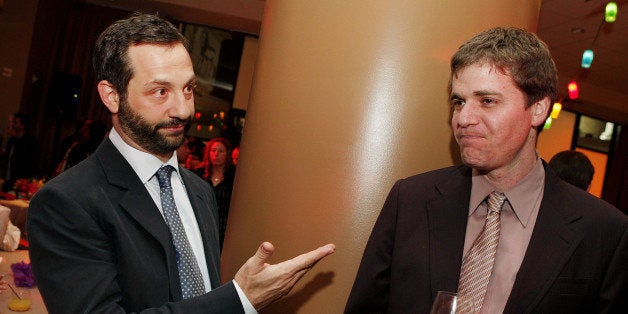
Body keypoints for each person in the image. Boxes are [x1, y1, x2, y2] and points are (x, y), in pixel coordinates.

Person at [27, 13, 335, 314]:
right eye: (161, 91)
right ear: (111, 96)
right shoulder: (66, 202)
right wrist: (239, 300)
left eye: (188, 88)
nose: (183, 109)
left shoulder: (199, 190)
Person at [345, 27, 627, 313]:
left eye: (487, 101)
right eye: (459, 102)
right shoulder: (410, 200)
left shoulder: (603, 230)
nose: (463, 119)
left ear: (539, 109)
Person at [193, 138, 236, 250]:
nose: (216, 154)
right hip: (201, 227)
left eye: (220, 151)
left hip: (224, 230)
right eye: (213, 150)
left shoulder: (234, 176)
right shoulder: (199, 174)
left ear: (227, 154)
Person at [1, 113, 38, 192]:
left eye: (15, 122)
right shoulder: (11, 140)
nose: (13, 125)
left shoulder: (30, 140)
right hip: (8, 179)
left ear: (23, 125)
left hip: (20, 181)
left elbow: (25, 158)